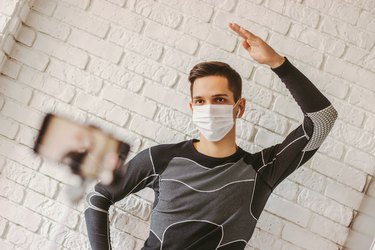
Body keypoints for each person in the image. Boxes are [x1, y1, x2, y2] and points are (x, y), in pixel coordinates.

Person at [84, 22, 338, 249]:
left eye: (219, 99)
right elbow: (98, 198)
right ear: (192, 108)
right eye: (200, 101)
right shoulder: (160, 158)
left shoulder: (262, 171)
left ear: (239, 108)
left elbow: (323, 119)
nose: (209, 108)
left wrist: (278, 64)